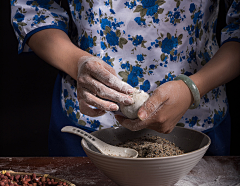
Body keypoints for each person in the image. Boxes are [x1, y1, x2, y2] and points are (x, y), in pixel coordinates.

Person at [11, 0, 240, 156]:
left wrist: (193, 88)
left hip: (196, 122)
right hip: (89, 120)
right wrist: (77, 62)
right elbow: (32, 9)